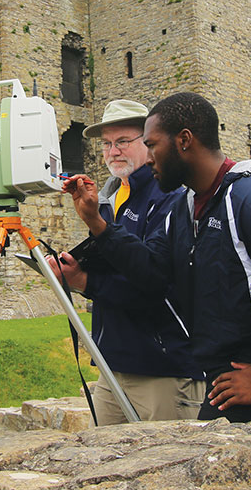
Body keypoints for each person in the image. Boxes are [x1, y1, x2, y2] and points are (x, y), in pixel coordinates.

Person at [57, 92, 251, 425]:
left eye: (152, 145)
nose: (149, 159)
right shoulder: (188, 207)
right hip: (229, 383)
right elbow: (154, 273)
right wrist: (97, 224)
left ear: (184, 141)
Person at [53, 99, 205, 424]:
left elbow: (156, 282)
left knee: (172, 467)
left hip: (163, 370)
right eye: (107, 144)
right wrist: (78, 271)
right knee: (106, 470)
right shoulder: (111, 199)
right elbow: (120, 268)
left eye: (123, 141)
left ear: (149, 142)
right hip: (113, 367)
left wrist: (85, 282)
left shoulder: (172, 197)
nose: (112, 152)